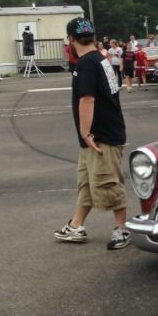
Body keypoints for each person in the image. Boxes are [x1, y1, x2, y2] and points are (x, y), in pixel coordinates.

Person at [54, 16, 130, 250]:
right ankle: (76, 225)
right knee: (87, 182)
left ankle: (121, 229)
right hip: (101, 134)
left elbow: (87, 99)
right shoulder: (101, 59)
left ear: (71, 39)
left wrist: (86, 133)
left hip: (101, 136)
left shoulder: (87, 63)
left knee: (108, 182)